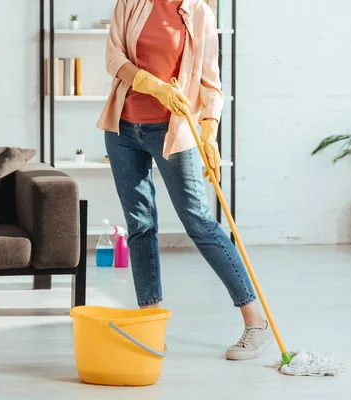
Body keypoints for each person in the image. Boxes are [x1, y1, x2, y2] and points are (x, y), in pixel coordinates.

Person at [97, 0, 273, 360]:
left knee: (200, 223)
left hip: (174, 130)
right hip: (123, 129)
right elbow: (114, 58)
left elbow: (210, 82)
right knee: (140, 225)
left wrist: (208, 134)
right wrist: (153, 85)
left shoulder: (200, 13)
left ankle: (256, 322)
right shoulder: (131, 3)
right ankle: (151, 323)